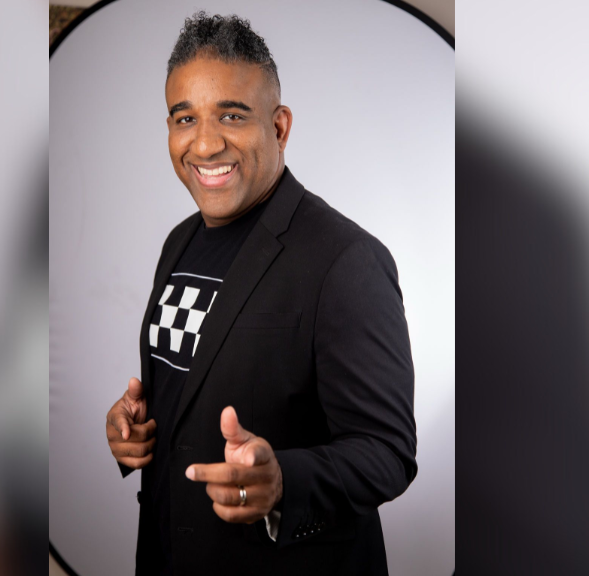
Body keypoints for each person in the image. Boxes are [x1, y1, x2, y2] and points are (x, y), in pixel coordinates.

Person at [103, 12, 417, 576]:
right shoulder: (179, 242)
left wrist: (283, 483)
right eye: (185, 118)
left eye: (231, 115)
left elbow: (388, 452)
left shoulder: (346, 260)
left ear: (279, 127)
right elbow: (190, 389)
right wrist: (136, 430)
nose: (205, 143)